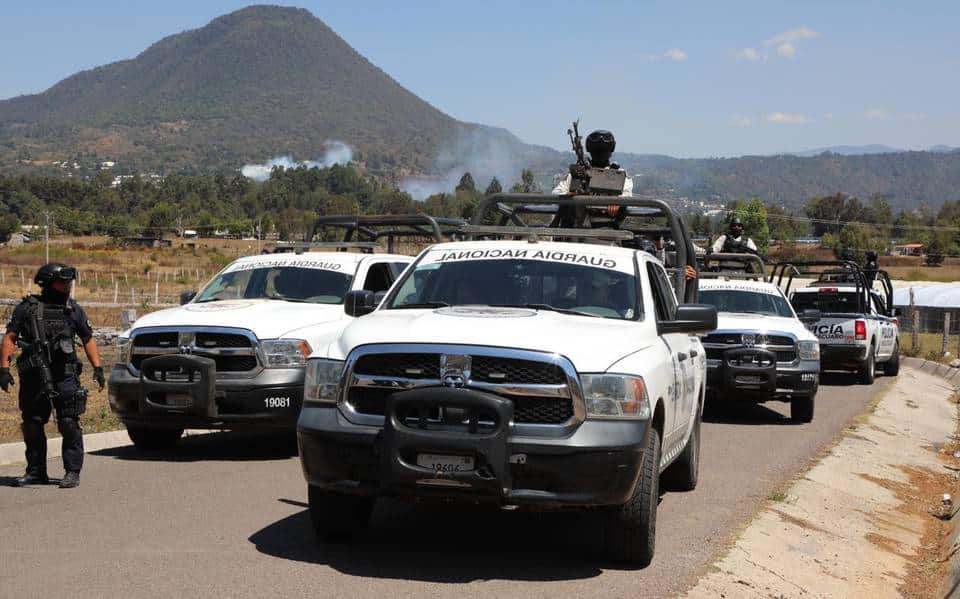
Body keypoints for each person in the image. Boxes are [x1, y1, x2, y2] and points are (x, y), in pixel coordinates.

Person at [0, 263, 105, 488]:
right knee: (32, 424)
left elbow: (88, 338)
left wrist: (98, 368)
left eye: (69, 282)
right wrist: (4, 369)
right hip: (33, 376)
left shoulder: (73, 309)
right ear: (48, 282)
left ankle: (72, 472)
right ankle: (36, 471)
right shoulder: (26, 308)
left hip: (65, 375)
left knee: (68, 422)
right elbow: (10, 338)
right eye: (62, 281)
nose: (67, 286)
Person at [552, 130, 634, 197]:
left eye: (604, 150)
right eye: (597, 151)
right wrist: (572, 195)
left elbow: (626, 195)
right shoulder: (579, 172)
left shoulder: (619, 174)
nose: (600, 154)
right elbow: (557, 192)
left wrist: (616, 202)